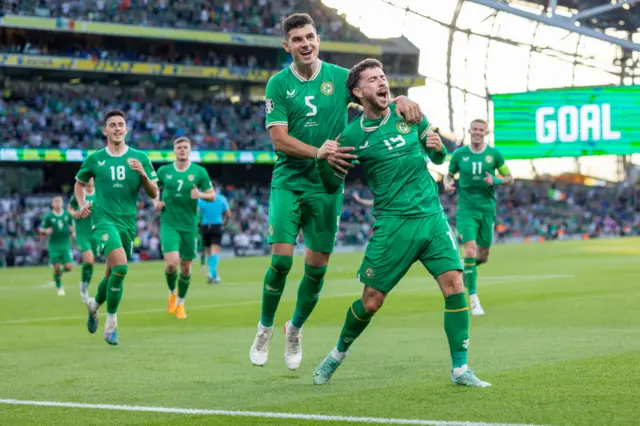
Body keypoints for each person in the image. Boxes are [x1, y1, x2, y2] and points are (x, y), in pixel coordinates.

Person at [250, 12, 423, 370]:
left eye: (310, 37)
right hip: (289, 180)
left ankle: (294, 328)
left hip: (328, 182)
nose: (306, 44)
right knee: (281, 260)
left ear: (318, 39)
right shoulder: (278, 85)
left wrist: (401, 99)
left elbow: (375, 96)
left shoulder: (341, 79)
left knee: (316, 269)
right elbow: (279, 140)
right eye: (297, 39)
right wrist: (318, 151)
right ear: (287, 46)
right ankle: (265, 327)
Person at [311, 59, 491, 388]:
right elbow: (330, 184)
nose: (382, 82)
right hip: (393, 226)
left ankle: (460, 369)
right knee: (371, 302)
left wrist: (437, 151)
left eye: (383, 77)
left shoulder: (409, 113)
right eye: (373, 79)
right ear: (358, 91)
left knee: (455, 287)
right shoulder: (351, 136)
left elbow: (438, 157)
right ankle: (336, 354)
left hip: (431, 218)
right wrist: (324, 160)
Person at [74, 109, 158, 345]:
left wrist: (143, 175)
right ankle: (111, 323)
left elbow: (154, 192)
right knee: (120, 268)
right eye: (113, 125)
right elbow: (79, 184)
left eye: (121, 124)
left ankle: (94, 305)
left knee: (112, 274)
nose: (117, 128)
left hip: (127, 223)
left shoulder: (140, 157)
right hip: (102, 220)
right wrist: (82, 205)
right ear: (105, 130)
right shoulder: (95, 158)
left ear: (126, 129)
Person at [444, 119, 513, 316]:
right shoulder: (459, 154)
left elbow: (510, 178)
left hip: (487, 209)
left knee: (483, 256)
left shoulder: (494, 155)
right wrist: (447, 183)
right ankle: (473, 300)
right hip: (466, 209)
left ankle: (467, 272)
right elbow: (449, 175)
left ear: (486, 132)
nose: (477, 132)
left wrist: (496, 179)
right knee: (471, 250)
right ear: (469, 130)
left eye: (481, 130)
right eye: (474, 129)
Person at [154, 137, 215, 319]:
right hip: (169, 222)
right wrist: (156, 201)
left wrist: (200, 194)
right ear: (174, 150)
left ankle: (181, 303)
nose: (182, 150)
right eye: (178, 147)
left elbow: (212, 195)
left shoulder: (199, 172)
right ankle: (172, 292)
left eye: (185, 147)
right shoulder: (164, 171)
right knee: (172, 263)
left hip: (189, 225)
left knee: (186, 267)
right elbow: (153, 189)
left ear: (190, 150)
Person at [68, 177, 97, 303]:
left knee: (91, 263)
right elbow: (70, 208)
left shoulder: (100, 192)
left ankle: (85, 284)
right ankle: (83, 288)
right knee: (89, 260)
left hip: (96, 233)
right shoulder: (80, 193)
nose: (90, 179)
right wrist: (75, 214)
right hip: (82, 233)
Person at [40, 196, 75, 296]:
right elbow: (41, 230)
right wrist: (46, 231)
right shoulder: (49, 217)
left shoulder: (67, 215)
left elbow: (72, 225)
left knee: (68, 267)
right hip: (54, 245)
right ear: (52, 204)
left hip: (65, 244)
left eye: (59, 201)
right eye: (55, 201)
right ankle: (59, 288)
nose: (57, 203)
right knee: (56, 267)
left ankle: (59, 274)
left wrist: (73, 231)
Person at [198, 181, 230, 284]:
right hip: (217, 225)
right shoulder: (221, 198)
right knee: (214, 252)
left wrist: (198, 224)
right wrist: (224, 224)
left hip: (205, 226)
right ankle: (212, 274)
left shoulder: (201, 199)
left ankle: (214, 276)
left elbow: (196, 212)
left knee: (208, 252)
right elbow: (228, 214)